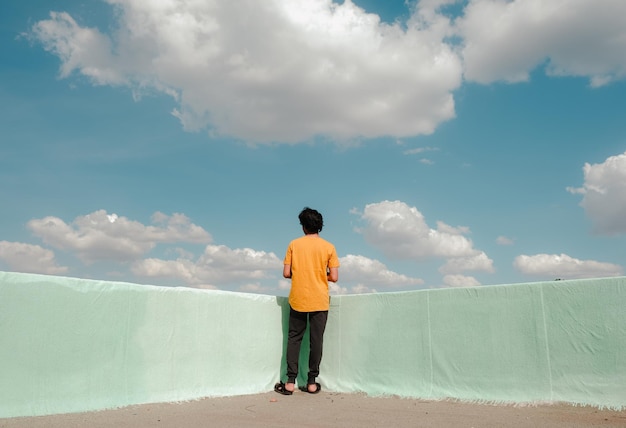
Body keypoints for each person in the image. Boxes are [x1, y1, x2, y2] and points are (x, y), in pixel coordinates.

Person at [274, 207, 339, 395]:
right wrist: (319, 274)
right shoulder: (329, 247)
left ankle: (290, 383)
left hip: (298, 298)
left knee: (294, 339)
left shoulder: (294, 244)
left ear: (303, 227)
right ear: (319, 226)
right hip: (319, 299)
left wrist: (302, 272)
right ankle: (311, 383)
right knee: (316, 341)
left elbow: (286, 273)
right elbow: (334, 276)